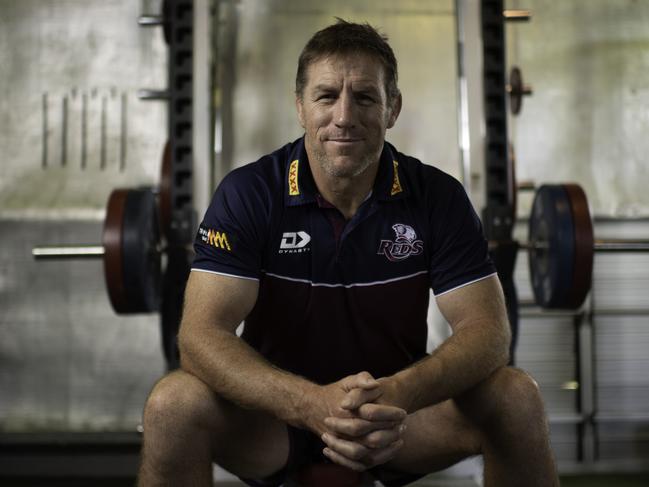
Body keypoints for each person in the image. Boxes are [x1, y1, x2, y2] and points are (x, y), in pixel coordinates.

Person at [138, 19, 559, 487]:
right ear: (300, 107)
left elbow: (489, 333)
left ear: (392, 108)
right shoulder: (249, 193)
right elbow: (199, 337)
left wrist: (399, 392)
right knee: (171, 405)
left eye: (364, 97)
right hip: (277, 421)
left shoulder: (437, 197)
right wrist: (310, 404)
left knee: (516, 397)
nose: (344, 116)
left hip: (395, 420)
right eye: (325, 97)